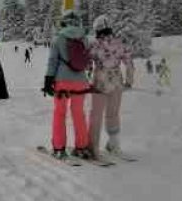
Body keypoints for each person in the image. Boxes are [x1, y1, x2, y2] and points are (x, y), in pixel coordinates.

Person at [43, 9, 93, 160]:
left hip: (62, 81)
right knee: (78, 113)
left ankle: (59, 148)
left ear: (63, 21)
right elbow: (88, 62)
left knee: (60, 113)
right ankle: (82, 147)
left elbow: (53, 61)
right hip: (80, 82)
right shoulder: (85, 39)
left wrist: (48, 81)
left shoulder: (58, 38)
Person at [87, 15, 135, 160]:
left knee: (96, 115)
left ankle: (93, 147)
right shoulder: (120, 43)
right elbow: (129, 63)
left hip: (99, 84)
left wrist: (87, 75)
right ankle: (114, 144)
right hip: (116, 83)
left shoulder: (94, 45)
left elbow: (87, 64)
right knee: (113, 114)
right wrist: (129, 81)